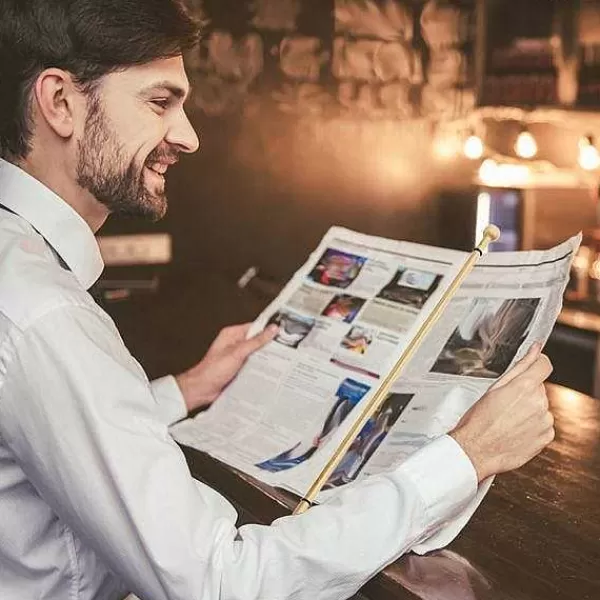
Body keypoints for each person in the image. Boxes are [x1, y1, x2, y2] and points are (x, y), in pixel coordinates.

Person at [0, 1, 556, 599]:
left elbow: (59, 430)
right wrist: (465, 457)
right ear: (60, 102)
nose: (187, 137)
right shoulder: (43, 314)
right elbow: (220, 581)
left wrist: (189, 389)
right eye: (160, 102)